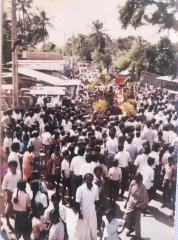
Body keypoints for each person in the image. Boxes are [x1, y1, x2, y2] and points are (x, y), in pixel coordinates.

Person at [74, 173, 99, 240]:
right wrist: (79, 213)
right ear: (84, 180)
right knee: (83, 229)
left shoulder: (96, 187)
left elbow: (97, 200)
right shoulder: (80, 189)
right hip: (83, 212)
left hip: (92, 211)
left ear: (92, 179)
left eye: (91, 179)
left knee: (93, 227)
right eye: (87, 179)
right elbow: (77, 202)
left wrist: (96, 209)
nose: (89, 181)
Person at [123, 173, 149, 239]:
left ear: (141, 180)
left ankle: (138, 235)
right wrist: (126, 202)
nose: (137, 181)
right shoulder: (133, 183)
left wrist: (138, 206)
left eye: (139, 180)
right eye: (136, 180)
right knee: (128, 218)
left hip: (138, 206)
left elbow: (144, 199)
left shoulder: (143, 188)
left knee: (137, 221)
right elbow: (129, 193)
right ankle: (130, 229)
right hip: (130, 203)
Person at [2, 161, 21, 232]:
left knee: (17, 211)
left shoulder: (19, 173)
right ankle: (8, 222)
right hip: (10, 196)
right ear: (9, 167)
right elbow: (3, 187)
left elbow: (20, 182)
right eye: (11, 166)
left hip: (17, 195)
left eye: (14, 166)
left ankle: (17, 225)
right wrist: (8, 191)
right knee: (7, 212)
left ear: (16, 166)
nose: (13, 167)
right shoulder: (7, 176)